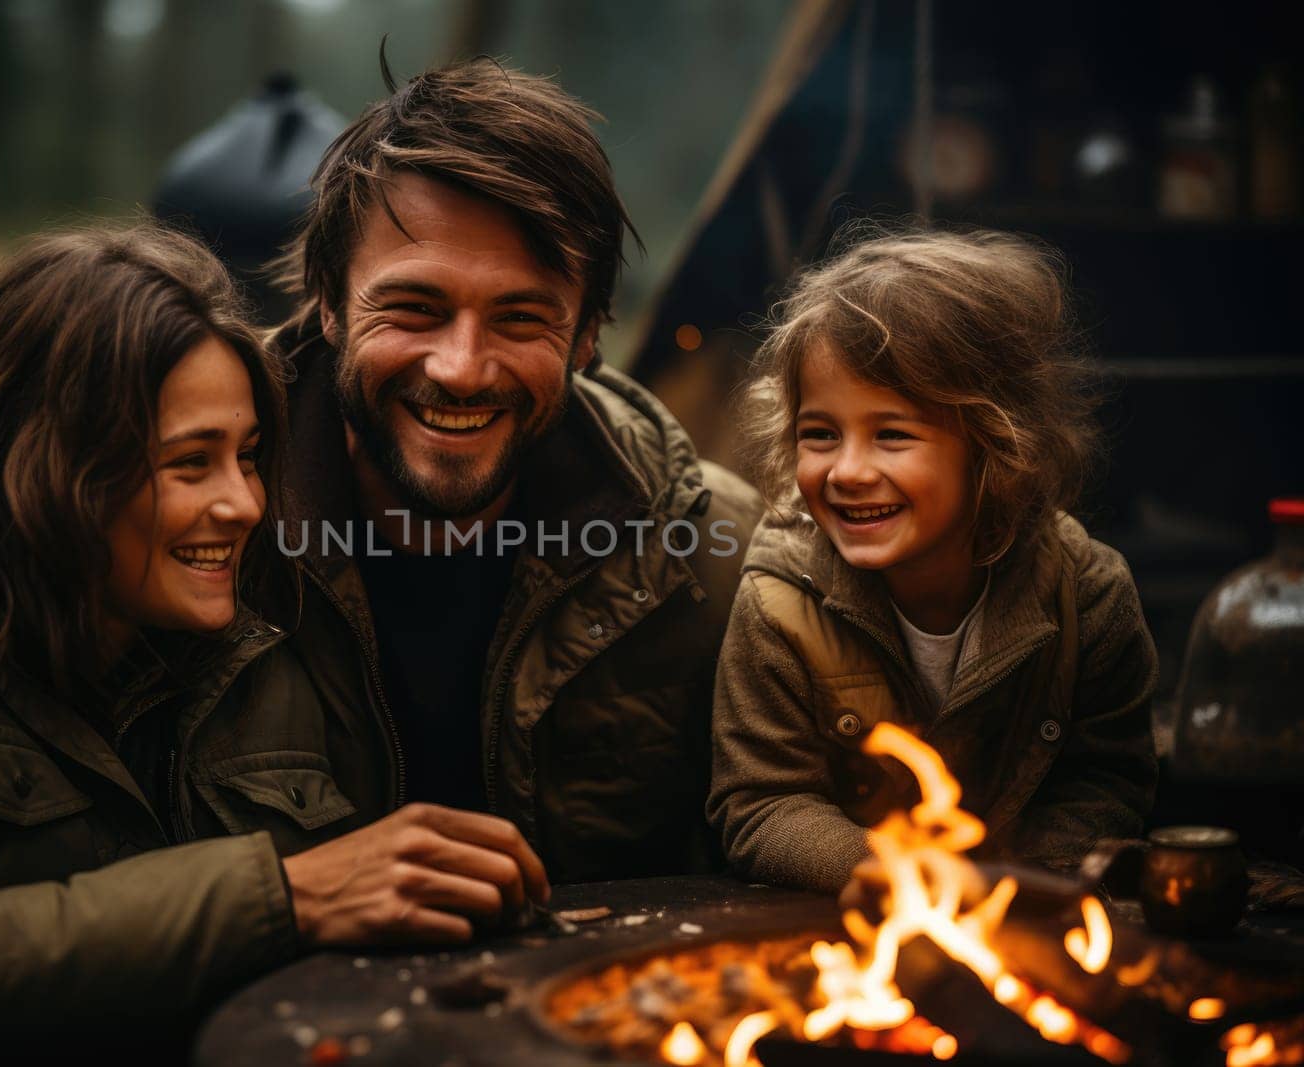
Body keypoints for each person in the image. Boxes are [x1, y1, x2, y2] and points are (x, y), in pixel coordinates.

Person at [0, 224, 547, 1064]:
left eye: (249, 457)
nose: (245, 504)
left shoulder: (249, 635)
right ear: (51, 467)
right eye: (191, 463)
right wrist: (284, 897)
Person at [247, 57, 763, 883]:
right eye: (415, 308)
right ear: (329, 304)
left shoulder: (716, 560)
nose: (461, 367)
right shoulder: (191, 527)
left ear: (588, 335)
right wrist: (281, 895)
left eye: (521, 317)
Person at [709, 227, 1158, 893]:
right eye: (820, 434)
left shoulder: (1085, 592)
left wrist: (1008, 883)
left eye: (892, 434)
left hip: (1023, 924)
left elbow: (1106, 780)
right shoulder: (781, 596)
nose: (848, 471)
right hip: (854, 935)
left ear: (992, 442)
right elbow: (761, 804)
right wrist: (898, 874)